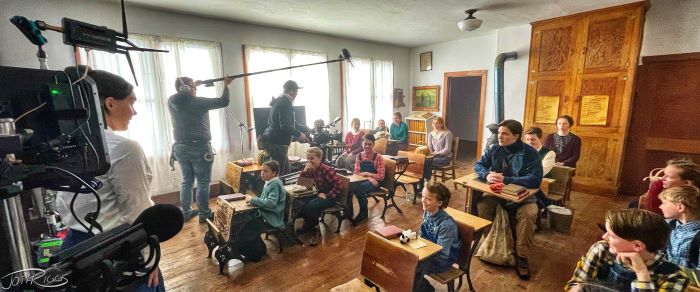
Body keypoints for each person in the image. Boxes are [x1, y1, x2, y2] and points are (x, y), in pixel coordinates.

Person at [55, 66, 164, 291]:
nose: (134, 111)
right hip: (119, 249)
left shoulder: (64, 144)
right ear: (110, 103)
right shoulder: (125, 148)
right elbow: (137, 211)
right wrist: (150, 258)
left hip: (75, 247)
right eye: (131, 102)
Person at [474, 119, 542, 280]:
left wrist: (507, 179)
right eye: (499, 133)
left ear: (516, 136)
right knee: (483, 206)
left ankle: (522, 256)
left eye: (505, 134)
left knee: (528, 214)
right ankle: (493, 244)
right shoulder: (494, 149)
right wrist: (487, 174)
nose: (500, 137)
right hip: (499, 195)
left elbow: (535, 179)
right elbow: (479, 165)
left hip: (523, 197)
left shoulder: (530, 153)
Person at [566, 209, 688, 292]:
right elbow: (576, 283)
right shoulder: (602, 249)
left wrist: (641, 273)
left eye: (612, 236)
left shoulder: (674, 276)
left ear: (637, 246)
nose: (604, 237)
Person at [168, 76, 232, 223]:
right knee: (203, 182)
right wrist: (226, 85)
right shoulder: (198, 102)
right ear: (186, 88)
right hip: (200, 147)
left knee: (187, 181)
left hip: (180, 147)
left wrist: (192, 86)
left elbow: (183, 96)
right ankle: (204, 214)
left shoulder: (172, 101)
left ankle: (186, 212)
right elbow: (224, 101)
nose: (195, 89)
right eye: (193, 87)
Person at [417, 182, 461, 292]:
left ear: (439, 202)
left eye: (428, 199)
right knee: (403, 261)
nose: (423, 200)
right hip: (427, 253)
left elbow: (442, 255)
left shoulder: (446, 225)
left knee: (411, 268)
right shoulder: (427, 212)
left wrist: (420, 257)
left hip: (442, 261)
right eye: (422, 196)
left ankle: (426, 289)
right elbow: (421, 236)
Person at [238, 160, 286, 261]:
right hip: (265, 213)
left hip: (272, 217)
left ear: (274, 173)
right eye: (261, 171)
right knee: (243, 221)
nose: (262, 173)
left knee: (248, 226)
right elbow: (265, 200)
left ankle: (254, 254)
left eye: (266, 171)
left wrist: (253, 200)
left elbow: (271, 203)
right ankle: (258, 249)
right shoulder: (269, 182)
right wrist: (252, 200)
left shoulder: (275, 184)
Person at [262, 80, 310, 176]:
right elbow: (285, 125)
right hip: (278, 145)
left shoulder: (280, 100)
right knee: (279, 176)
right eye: (296, 91)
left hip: (275, 143)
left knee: (287, 173)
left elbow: (291, 122)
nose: (297, 93)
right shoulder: (285, 103)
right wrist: (299, 134)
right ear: (291, 91)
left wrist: (306, 128)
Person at [298, 147, 344, 246]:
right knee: (300, 204)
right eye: (308, 158)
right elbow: (302, 183)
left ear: (319, 158)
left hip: (330, 197)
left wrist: (327, 195)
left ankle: (316, 230)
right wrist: (304, 171)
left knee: (310, 207)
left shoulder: (326, 169)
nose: (309, 161)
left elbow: (339, 185)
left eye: (312, 158)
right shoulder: (311, 169)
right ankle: (309, 225)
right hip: (319, 194)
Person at [659, 185, 700, 269]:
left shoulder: (697, 235)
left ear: (680, 207)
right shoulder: (669, 225)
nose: (660, 206)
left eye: (664, 203)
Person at [353, 134, 385, 224]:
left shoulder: (378, 158)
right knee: (349, 187)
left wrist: (366, 174)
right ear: (362, 144)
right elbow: (356, 173)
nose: (367, 146)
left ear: (374, 144)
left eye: (370, 144)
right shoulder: (359, 156)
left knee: (359, 189)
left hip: (376, 183)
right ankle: (348, 212)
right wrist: (368, 177)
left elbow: (381, 176)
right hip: (364, 181)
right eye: (365, 144)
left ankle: (363, 213)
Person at [524, 127, 556, 208]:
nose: (529, 142)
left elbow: (541, 171)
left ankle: (541, 205)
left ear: (541, 139)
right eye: (527, 140)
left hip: (541, 182)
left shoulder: (549, 153)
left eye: (533, 139)